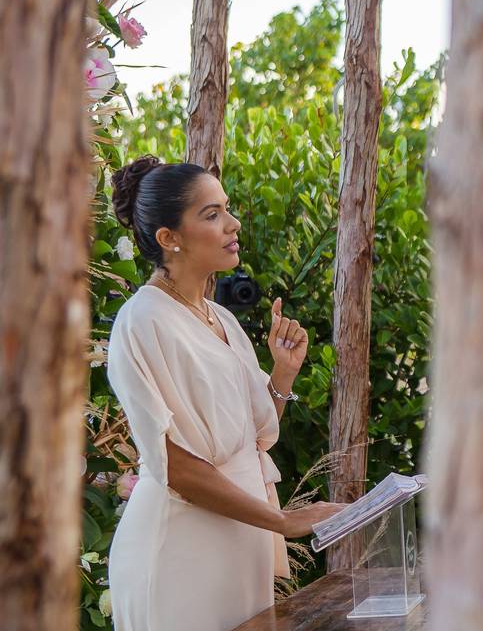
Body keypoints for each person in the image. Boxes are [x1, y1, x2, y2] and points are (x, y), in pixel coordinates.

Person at [106, 155, 343, 630]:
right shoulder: (143, 320)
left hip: (239, 543)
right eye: (211, 214)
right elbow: (175, 464)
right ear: (169, 239)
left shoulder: (224, 321)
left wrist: (282, 375)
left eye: (226, 209)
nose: (232, 224)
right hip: (180, 550)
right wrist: (284, 521)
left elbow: (252, 436)